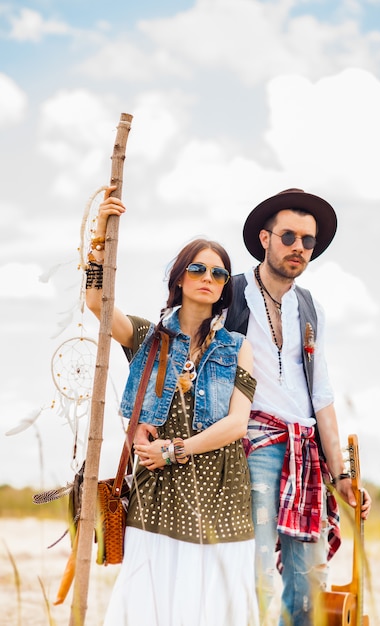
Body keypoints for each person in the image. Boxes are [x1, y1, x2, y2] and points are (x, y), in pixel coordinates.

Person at [85, 187, 259, 626]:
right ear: (179, 277)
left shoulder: (238, 348)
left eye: (220, 274)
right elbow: (96, 303)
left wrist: (173, 449)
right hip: (159, 496)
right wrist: (99, 239)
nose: (209, 277)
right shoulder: (149, 339)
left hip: (221, 495)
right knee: (152, 604)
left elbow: (238, 424)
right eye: (198, 268)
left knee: (214, 607)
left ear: (224, 289)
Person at [224, 188, 372, 626]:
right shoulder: (228, 295)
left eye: (308, 241)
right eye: (289, 236)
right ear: (265, 238)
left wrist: (342, 475)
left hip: (305, 453)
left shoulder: (311, 308)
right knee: (255, 575)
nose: (299, 248)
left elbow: (320, 394)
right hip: (251, 447)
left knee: (310, 579)